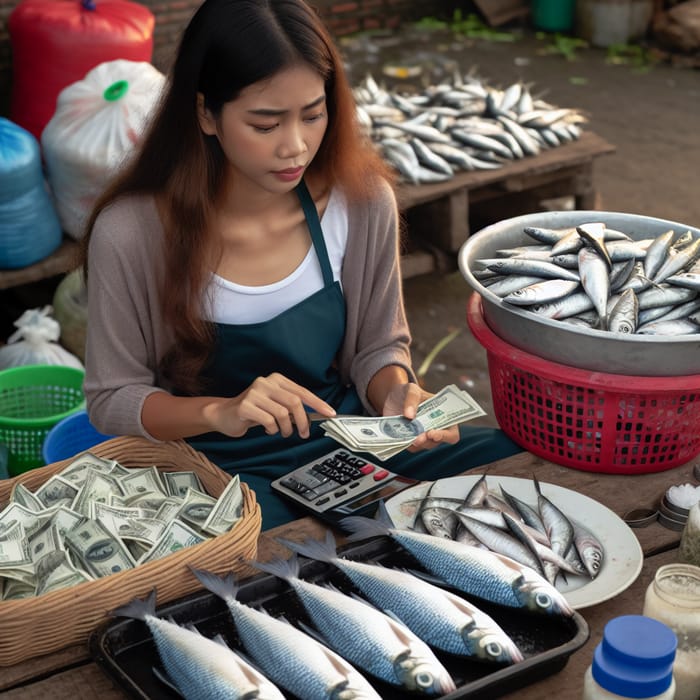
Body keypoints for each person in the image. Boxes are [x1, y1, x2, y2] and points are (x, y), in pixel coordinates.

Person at [80, 0, 522, 530]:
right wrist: (221, 411)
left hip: (344, 437)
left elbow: (378, 347)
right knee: (261, 556)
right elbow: (113, 397)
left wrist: (396, 394)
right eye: (265, 124)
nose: (295, 146)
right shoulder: (133, 232)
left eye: (312, 115)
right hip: (217, 468)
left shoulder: (362, 202)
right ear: (205, 114)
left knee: (505, 463)